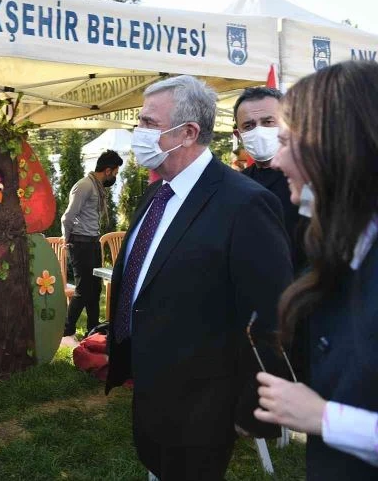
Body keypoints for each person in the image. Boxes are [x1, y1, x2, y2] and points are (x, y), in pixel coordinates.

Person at [104, 76, 293, 480]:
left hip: (204, 401)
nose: (138, 132)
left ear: (188, 132)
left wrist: (255, 407)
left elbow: (270, 314)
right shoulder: (157, 193)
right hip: (151, 383)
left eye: (149, 122)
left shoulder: (245, 203)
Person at [254, 61, 378, 479]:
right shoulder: (346, 252)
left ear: (333, 146)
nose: (276, 160)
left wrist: (324, 418)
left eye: (286, 141)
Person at [234, 86, 306, 274]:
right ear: (238, 135)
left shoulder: (306, 179)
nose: (259, 131)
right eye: (248, 126)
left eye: (268, 122)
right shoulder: (235, 184)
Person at [60, 149, 123, 337]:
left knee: (95, 289)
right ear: (108, 170)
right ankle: (66, 329)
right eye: (115, 172)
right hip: (80, 244)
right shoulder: (84, 186)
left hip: (93, 243)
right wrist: (66, 239)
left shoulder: (97, 187)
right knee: (83, 288)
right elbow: (67, 217)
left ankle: (93, 330)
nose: (115, 177)